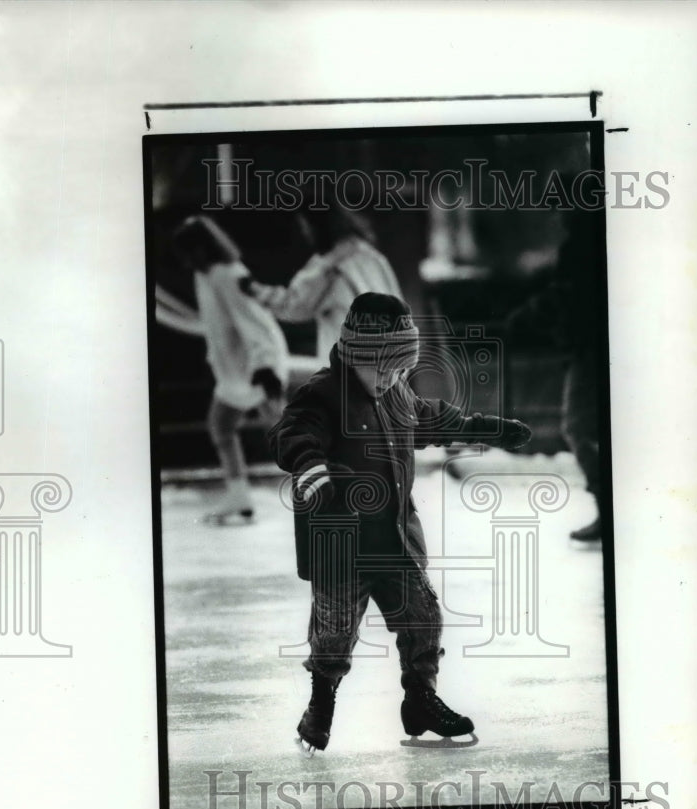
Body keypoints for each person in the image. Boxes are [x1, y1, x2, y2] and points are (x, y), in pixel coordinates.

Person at [267, 292, 531, 754]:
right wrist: (310, 466)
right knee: (334, 634)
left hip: (394, 540)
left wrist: (489, 429)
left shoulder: (396, 392)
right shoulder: (323, 393)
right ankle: (320, 706)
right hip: (341, 547)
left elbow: (432, 419)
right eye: (385, 369)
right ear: (357, 356)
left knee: (423, 618)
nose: (393, 378)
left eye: (401, 370)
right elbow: (293, 432)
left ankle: (421, 700)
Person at [172, 214, 289, 524]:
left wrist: (265, 366)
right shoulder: (206, 275)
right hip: (233, 371)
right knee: (221, 425)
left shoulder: (228, 274)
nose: (185, 260)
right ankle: (239, 495)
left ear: (202, 247)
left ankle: (322, 488)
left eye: (188, 251)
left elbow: (256, 321)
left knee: (283, 432)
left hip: (255, 366)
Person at [506, 204, 602, 541]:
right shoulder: (589, 238)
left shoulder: (579, 243)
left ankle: (608, 506)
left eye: (557, 207)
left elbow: (565, 294)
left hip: (587, 349)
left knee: (579, 426)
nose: (555, 216)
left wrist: (525, 317)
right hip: (587, 346)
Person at [243, 201, 402, 365]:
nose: (305, 232)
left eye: (305, 225)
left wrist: (255, 291)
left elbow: (294, 304)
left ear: (317, 224)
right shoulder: (373, 258)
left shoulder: (329, 268)